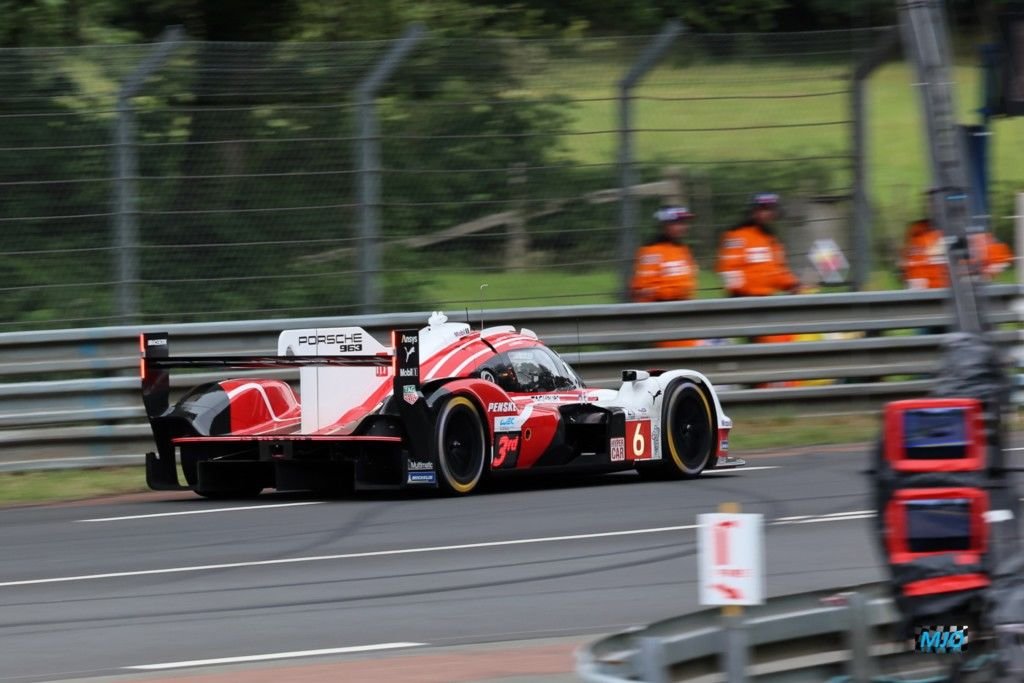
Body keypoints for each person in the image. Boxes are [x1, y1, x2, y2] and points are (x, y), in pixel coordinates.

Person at [716, 192, 800, 297]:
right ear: (753, 211)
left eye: (772, 209)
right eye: (764, 209)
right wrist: (741, 294)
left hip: (765, 299)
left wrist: (792, 285)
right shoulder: (737, 236)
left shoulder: (771, 240)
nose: (769, 213)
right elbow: (728, 269)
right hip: (742, 300)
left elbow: (778, 271)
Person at [900, 217, 1013, 290]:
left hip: (955, 297)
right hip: (932, 298)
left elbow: (1000, 259)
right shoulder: (921, 234)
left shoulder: (974, 234)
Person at [630, 205, 698, 303]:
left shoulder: (682, 249)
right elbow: (643, 290)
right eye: (677, 223)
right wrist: (675, 293)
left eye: (684, 223)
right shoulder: (652, 250)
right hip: (661, 310)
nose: (683, 227)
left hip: (684, 307)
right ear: (664, 225)